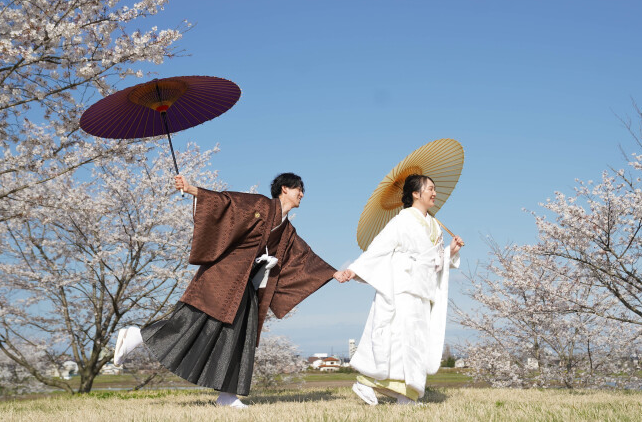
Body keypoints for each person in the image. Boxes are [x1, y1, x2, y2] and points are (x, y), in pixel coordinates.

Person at [114, 172, 349, 409]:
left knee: (239, 336)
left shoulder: (287, 230)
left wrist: (332, 273)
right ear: (285, 189)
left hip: (245, 285)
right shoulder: (260, 205)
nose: (302, 194)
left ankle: (227, 395)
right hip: (224, 275)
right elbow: (227, 203)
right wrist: (192, 188)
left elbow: (304, 256)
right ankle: (137, 335)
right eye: (299, 188)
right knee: (193, 321)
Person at [343, 174, 464, 406]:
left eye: (435, 189)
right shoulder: (401, 221)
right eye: (429, 188)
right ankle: (366, 382)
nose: (434, 193)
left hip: (423, 290)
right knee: (396, 340)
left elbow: (435, 263)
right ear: (415, 194)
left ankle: (407, 393)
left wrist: (450, 250)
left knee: (416, 343)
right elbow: (378, 249)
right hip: (402, 287)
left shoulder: (435, 226)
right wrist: (354, 270)